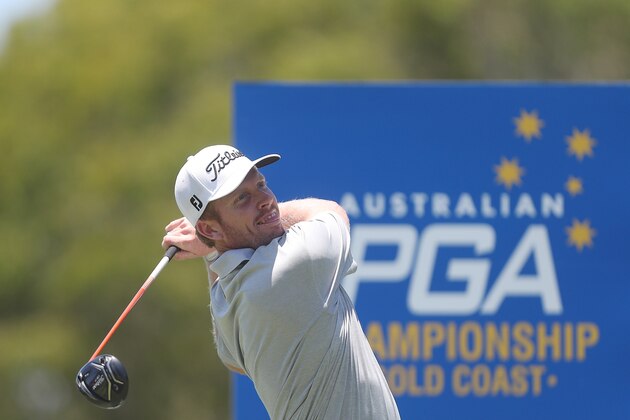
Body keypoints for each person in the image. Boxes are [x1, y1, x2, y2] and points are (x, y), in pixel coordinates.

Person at [161, 144, 400, 420]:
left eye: (261, 184)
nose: (264, 199)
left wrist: (212, 245)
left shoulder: (225, 299)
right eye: (242, 198)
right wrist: (216, 240)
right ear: (209, 227)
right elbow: (331, 211)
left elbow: (234, 361)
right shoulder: (292, 266)